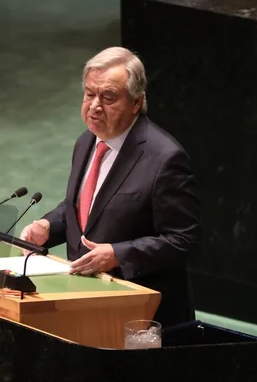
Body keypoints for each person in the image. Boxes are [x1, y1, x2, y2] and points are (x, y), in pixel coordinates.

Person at [20, 47, 201, 327]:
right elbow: (88, 207)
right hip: (85, 300)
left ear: (136, 103)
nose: (94, 106)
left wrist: (117, 255)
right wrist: (48, 226)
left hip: (142, 315)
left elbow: (183, 240)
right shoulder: (87, 141)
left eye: (108, 97)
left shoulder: (165, 159)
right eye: (90, 94)